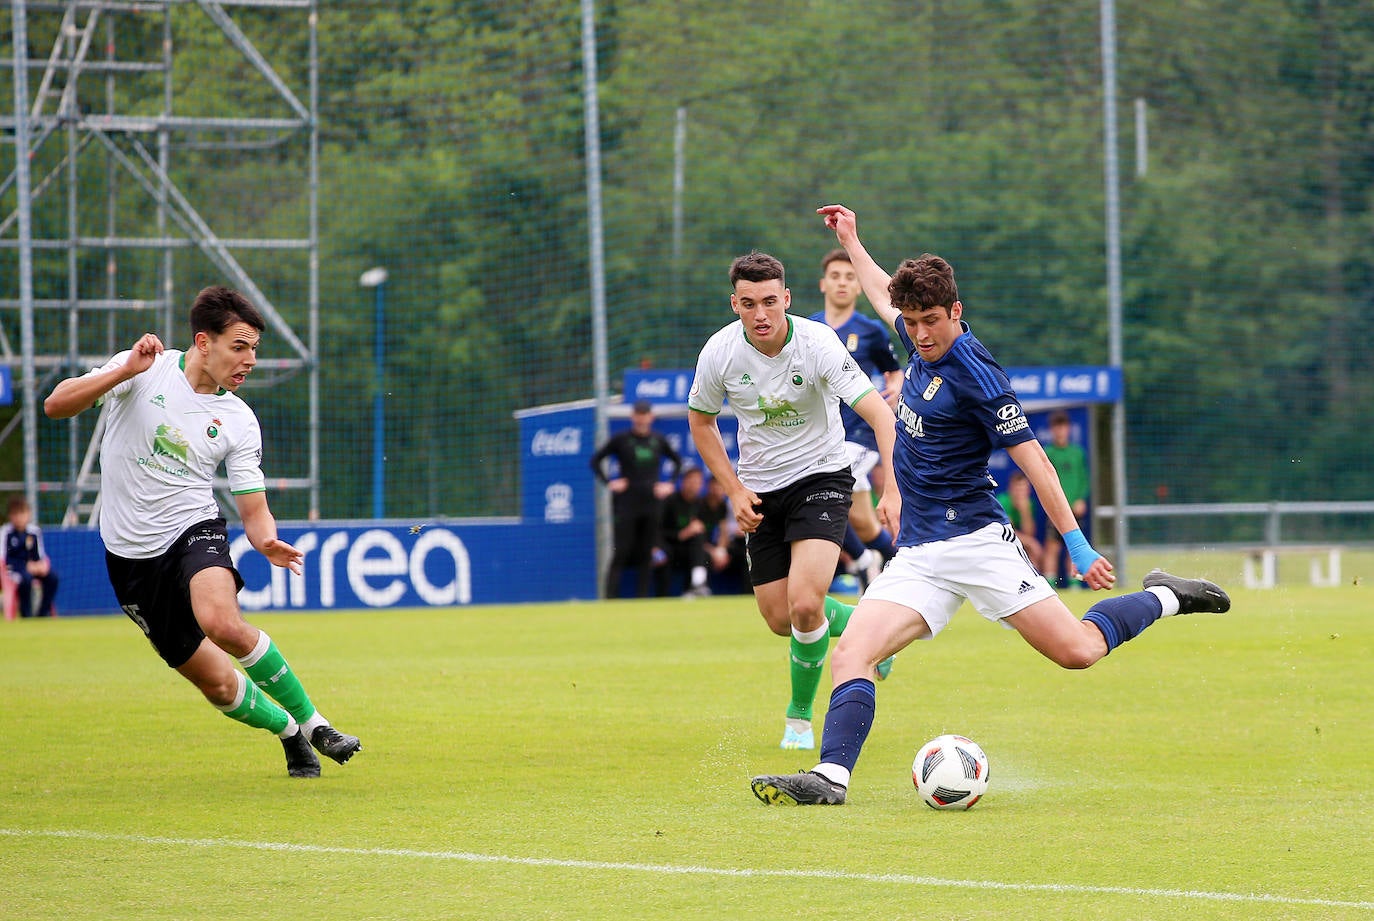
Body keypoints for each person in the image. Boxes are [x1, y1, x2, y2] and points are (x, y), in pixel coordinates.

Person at [749, 207, 1231, 805]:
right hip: (921, 554)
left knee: (1077, 652)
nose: (920, 334)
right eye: (914, 322)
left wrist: (1076, 544)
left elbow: (1036, 463)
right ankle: (830, 779)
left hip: (978, 543)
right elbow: (879, 292)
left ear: (956, 310)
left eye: (931, 321)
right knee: (853, 653)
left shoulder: (979, 376)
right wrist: (852, 240)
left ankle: (1169, 594)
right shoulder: (916, 338)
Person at [43, 285, 361, 779]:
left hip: (194, 529)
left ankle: (317, 724)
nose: (250, 360)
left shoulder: (238, 418)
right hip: (128, 556)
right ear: (203, 342)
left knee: (221, 621)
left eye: (255, 348)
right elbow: (56, 405)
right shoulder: (143, 368)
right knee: (218, 685)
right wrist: (124, 371)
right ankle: (288, 732)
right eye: (240, 346)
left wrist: (265, 539)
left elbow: (254, 508)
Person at [688, 250, 898, 750]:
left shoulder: (818, 343)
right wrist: (734, 490)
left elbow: (882, 416)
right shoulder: (718, 352)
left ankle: (799, 718)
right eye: (747, 304)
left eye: (768, 302)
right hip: (760, 490)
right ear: (733, 304)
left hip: (821, 476)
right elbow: (701, 421)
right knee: (780, 619)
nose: (760, 314)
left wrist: (892, 487)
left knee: (805, 606)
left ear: (786, 298)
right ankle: (861, 623)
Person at [809, 248, 904, 590]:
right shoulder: (808, 328)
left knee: (819, 485)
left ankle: (863, 562)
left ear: (859, 286)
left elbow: (895, 373)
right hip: (821, 437)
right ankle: (895, 558)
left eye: (850, 277)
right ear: (823, 283)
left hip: (860, 436)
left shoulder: (871, 331)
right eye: (835, 276)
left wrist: (894, 391)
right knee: (863, 522)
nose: (842, 283)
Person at [590, 399, 682, 598]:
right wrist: (609, 482)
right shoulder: (622, 439)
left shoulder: (658, 440)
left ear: (650, 417)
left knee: (646, 552)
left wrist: (669, 484)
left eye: (645, 415)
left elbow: (677, 461)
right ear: (633, 417)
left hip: (652, 503)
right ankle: (609, 598)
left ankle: (642, 598)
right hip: (628, 503)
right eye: (638, 415)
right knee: (621, 551)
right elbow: (596, 460)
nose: (641, 419)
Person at [1039, 410, 1091, 587]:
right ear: (1052, 430)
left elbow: (1084, 479)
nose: (1060, 431)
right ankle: (1050, 584)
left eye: (1063, 427)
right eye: (1056, 427)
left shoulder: (1077, 452)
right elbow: (1044, 480)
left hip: (1074, 508)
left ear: (1068, 429)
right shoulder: (1048, 452)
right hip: (1055, 507)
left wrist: (1080, 499)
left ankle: (1074, 584)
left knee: (1074, 547)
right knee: (1052, 546)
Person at [659, 465, 715, 598]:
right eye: (692, 481)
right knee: (665, 556)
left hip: (692, 549)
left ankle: (695, 587)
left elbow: (705, 536)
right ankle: (663, 595)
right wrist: (682, 534)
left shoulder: (701, 505)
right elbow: (659, 530)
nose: (695, 485)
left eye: (698, 482)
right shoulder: (670, 501)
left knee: (701, 546)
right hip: (670, 546)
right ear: (684, 481)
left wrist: (715, 550)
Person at [1, 495, 59, 618]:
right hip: (13, 571)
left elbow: (40, 555)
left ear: (28, 514)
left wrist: (40, 565)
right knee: (25, 580)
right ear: (10, 516)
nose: (19, 518)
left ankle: (43, 613)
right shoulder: (6, 532)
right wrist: (24, 566)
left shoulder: (34, 532)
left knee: (53, 578)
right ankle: (26, 614)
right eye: (15, 514)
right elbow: (4, 559)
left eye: (22, 513)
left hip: (32, 568)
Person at [996, 470, 1043, 568]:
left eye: (1023, 489)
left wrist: (1024, 511)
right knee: (1031, 546)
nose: (1020, 493)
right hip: (999, 540)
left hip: (1017, 539)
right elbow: (1007, 532)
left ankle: (1034, 580)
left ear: (1028, 490)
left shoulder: (1029, 503)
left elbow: (1029, 533)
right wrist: (1031, 543)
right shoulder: (1003, 501)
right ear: (1010, 489)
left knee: (1031, 551)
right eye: (1017, 489)